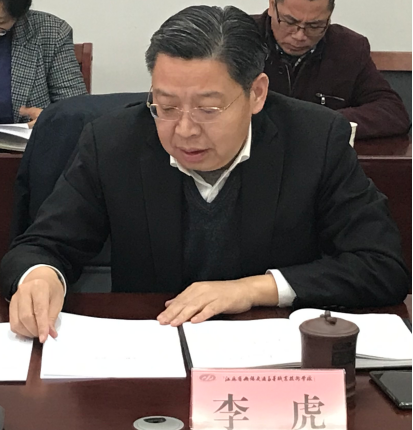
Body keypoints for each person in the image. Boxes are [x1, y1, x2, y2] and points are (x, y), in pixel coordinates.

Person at [0, 6, 409, 344]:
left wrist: (254, 289)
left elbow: (382, 265)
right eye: (166, 106)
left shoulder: (316, 139)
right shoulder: (112, 142)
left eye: (208, 109)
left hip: (270, 359)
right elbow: (41, 245)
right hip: (151, 352)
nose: (184, 129)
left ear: (256, 93)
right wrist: (40, 276)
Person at [255, 0, 411, 139]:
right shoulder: (242, 39)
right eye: (289, 22)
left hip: (321, 157)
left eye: (314, 26)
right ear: (272, 5)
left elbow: (393, 112)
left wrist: (323, 122)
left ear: (329, 17)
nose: (299, 36)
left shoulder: (349, 49)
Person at [0, 0, 87, 127]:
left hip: (26, 138)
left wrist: (51, 119)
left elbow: (76, 108)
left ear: (17, 15)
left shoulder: (51, 32)